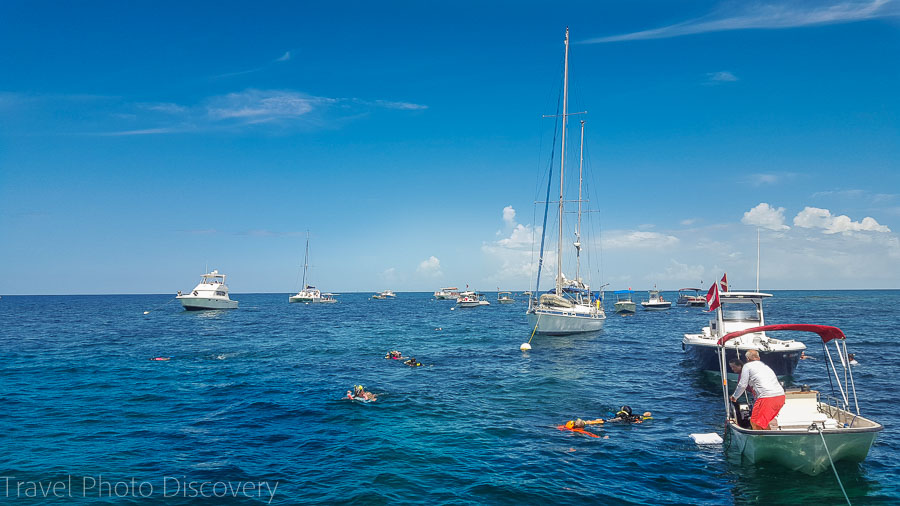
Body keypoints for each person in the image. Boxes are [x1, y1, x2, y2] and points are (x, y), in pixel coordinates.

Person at [730, 350, 785, 430]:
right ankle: (768, 438)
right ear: (758, 358)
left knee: (755, 422)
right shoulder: (765, 366)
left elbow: (742, 385)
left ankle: (763, 440)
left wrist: (735, 397)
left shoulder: (747, 366)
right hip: (780, 397)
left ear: (747, 358)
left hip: (767, 398)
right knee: (762, 422)